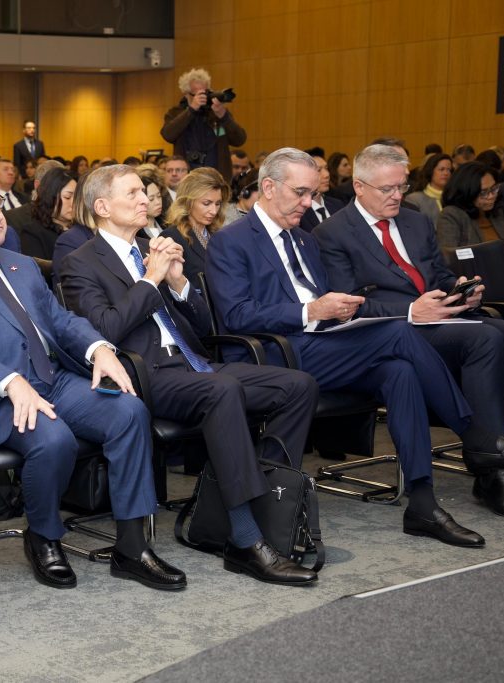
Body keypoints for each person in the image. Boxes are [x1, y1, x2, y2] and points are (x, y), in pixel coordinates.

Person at [0, 167, 186, 592]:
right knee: (53, 439)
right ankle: (44, 535)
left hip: (52, 379)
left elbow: (60, 320)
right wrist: (8, 380)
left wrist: (98, 348)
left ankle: (131, 546)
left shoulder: (19, 265)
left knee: (128, 411)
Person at [207, 147, 504, 547]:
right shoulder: (231, 240)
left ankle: (422, 503)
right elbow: (237, 314)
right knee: (398, 333)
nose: (308, 203)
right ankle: (475, 436)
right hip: (275, 352)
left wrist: (339, 310)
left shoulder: (304, 240)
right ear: (268, 187)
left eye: (313, 194)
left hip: (325, 341)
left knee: (400, 371)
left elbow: (327, 301)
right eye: (300, 193)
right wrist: (310, 310)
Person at [60, 165, 319, 585]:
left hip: (193, 364)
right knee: (222, 390)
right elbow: (105, 329)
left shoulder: (152, 247)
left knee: (297, 385)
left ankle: (268, 505)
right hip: (144, 374)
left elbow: (203, 327)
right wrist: (151, 279)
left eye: (143, 192)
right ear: (102, 207)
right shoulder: (80, 262)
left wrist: (179, 283)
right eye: (133, 193)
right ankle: (246, 538)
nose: (145, 199)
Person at [316, 144, 504, 517]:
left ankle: (491, 454)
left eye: (401, 186)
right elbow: (348, 304)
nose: (396, 195)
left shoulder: (415, 220)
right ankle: (493, 468)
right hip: (393, 330)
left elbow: (437, 275)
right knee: (484, 338)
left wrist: (460, 290)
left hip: (440, 317)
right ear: (359, 186)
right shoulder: (333, 233)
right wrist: (410, 310)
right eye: (386, 189)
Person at [160, 68, 246, 180]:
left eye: (205, 93)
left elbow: (239, 140)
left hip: (217, 177)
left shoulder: (216, 112)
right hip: (187, 177)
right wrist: (191, 110)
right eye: (197, 94)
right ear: (186, 94)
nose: (202, 97)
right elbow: (168, 135)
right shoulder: (176, 113)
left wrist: (223, 116)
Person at [161, 167, 231, 282]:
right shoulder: (171, 237)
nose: (214, 211)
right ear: (188, 202)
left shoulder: (219, 235)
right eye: (206, 203)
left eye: (217, 204)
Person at [10, 167, 77, 261]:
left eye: (77, 197)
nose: (74, 203)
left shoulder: (83, 228)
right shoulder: (32, 233)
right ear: (50, 197)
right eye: (67, 197)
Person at [436, 161, 504, 248]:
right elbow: (449, 254)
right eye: (483, 192)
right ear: (467, 192)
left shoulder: (495, 211)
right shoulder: (452, 215)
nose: (491, 196)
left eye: (494, 188)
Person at [297, 155, 344, 232]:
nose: (327, 174)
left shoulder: (337, 205)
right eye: (318, 170)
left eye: (326, 168)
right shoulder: (299, 211)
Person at [405, 153, 453, 227]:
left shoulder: (454, 198)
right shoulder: (415, 199)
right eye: (441, 169)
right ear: (431, 171)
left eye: (449, 170)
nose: (446, 173)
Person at [136, 165, 170, 240]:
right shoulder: (135, 233)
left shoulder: (167, 224)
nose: (158, 202)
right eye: (151, 199)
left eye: (159, 196)